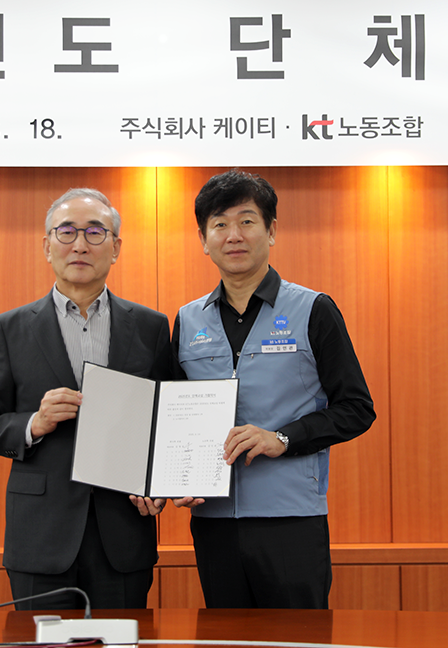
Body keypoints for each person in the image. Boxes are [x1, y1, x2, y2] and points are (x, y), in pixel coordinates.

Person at [171, 169, 375, 609]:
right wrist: (176, 476)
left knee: (297, 637)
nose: (234, 235)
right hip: (213, 519)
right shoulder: (187, 320)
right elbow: (173, 415)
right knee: (225, 638)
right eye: (220, 224)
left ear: (271, 230)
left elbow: (357, 408)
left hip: (291, 517)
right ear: (203, 239)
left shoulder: (313, 309)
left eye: (247, 221)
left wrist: (282, 438)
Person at [0, 187, 173, 610]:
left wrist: (158, 484)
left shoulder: (150, 326)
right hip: (41, 536)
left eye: (95, 232)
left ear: (116, 248)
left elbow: (166, 422)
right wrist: (33, 423)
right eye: (66, 232)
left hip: (123, 533)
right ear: (47, 246)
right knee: (44, 641)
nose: (80, 244)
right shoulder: (10, 328)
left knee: (122, 639)